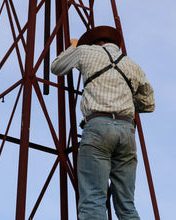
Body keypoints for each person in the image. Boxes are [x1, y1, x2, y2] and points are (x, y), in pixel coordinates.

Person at [51, 26, 155, 220]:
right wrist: (124, 102)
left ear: (96, 43)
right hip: (126, 131)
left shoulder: (86, 51)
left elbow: (56, 67)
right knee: (126, 206)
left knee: (93, 201)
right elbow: (149, 104)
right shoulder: (133, 65)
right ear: (115, 43)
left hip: (97, 127)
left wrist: (73, 47)